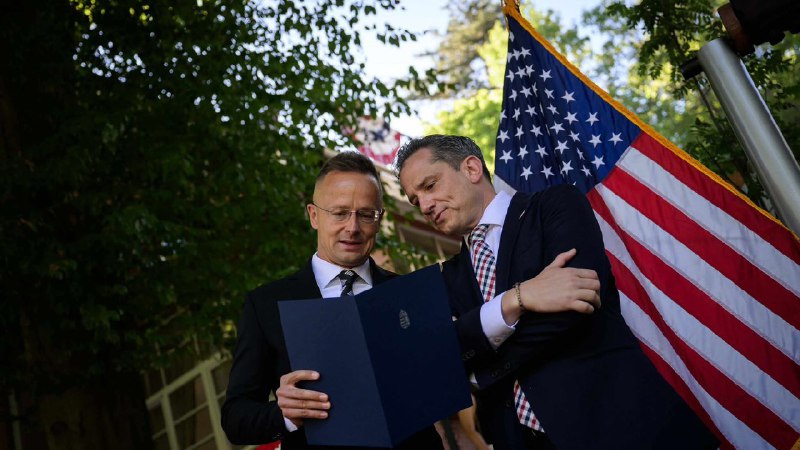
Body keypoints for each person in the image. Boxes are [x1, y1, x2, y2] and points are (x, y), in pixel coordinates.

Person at [395, 135, 719, 450]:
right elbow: (444, 356)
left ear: (471, 168)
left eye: (430, 185)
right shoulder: (446, 279)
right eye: (415, 200)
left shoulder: (554, 206)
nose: (425, 206)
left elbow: (573, 309)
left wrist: (481, 367)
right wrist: (517, 300)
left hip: (619, 427)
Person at [221, 151, 443, 449]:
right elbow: (235, 418)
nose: (352, 227)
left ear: (379, 219)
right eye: (339, 213)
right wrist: (285, 415)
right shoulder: (266, 305)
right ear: (314, 216)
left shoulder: (408, 294)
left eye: (366, 214)